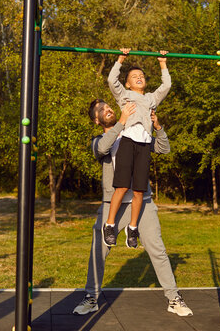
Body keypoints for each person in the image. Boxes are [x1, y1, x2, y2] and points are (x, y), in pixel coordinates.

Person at [72, 99, 193, 317]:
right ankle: (91, 297)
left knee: (157, 249)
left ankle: (173, 298)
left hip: (142, 203)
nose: (107, 109)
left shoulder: (138, 135)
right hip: (113, 206)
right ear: (96, 120)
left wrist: (158, 127)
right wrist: (122, 122)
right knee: (98, 251)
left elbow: (164, 148)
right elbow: (102, 149)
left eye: (108, 106)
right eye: (102, 110)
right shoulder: (99, 139)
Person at [103, 48, 171, 249]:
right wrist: (121, 60)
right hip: (127, 143)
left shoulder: (151, 99)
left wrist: (162, 63)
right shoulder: (124, 95)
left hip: (143, 145)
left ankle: (132, 228)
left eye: (141, 76)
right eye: (134, 76)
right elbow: (111, 80)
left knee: (139, 191)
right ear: (128, 83)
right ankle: (110, 224)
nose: (139, 78)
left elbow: (166, 85)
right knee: (122, 187)